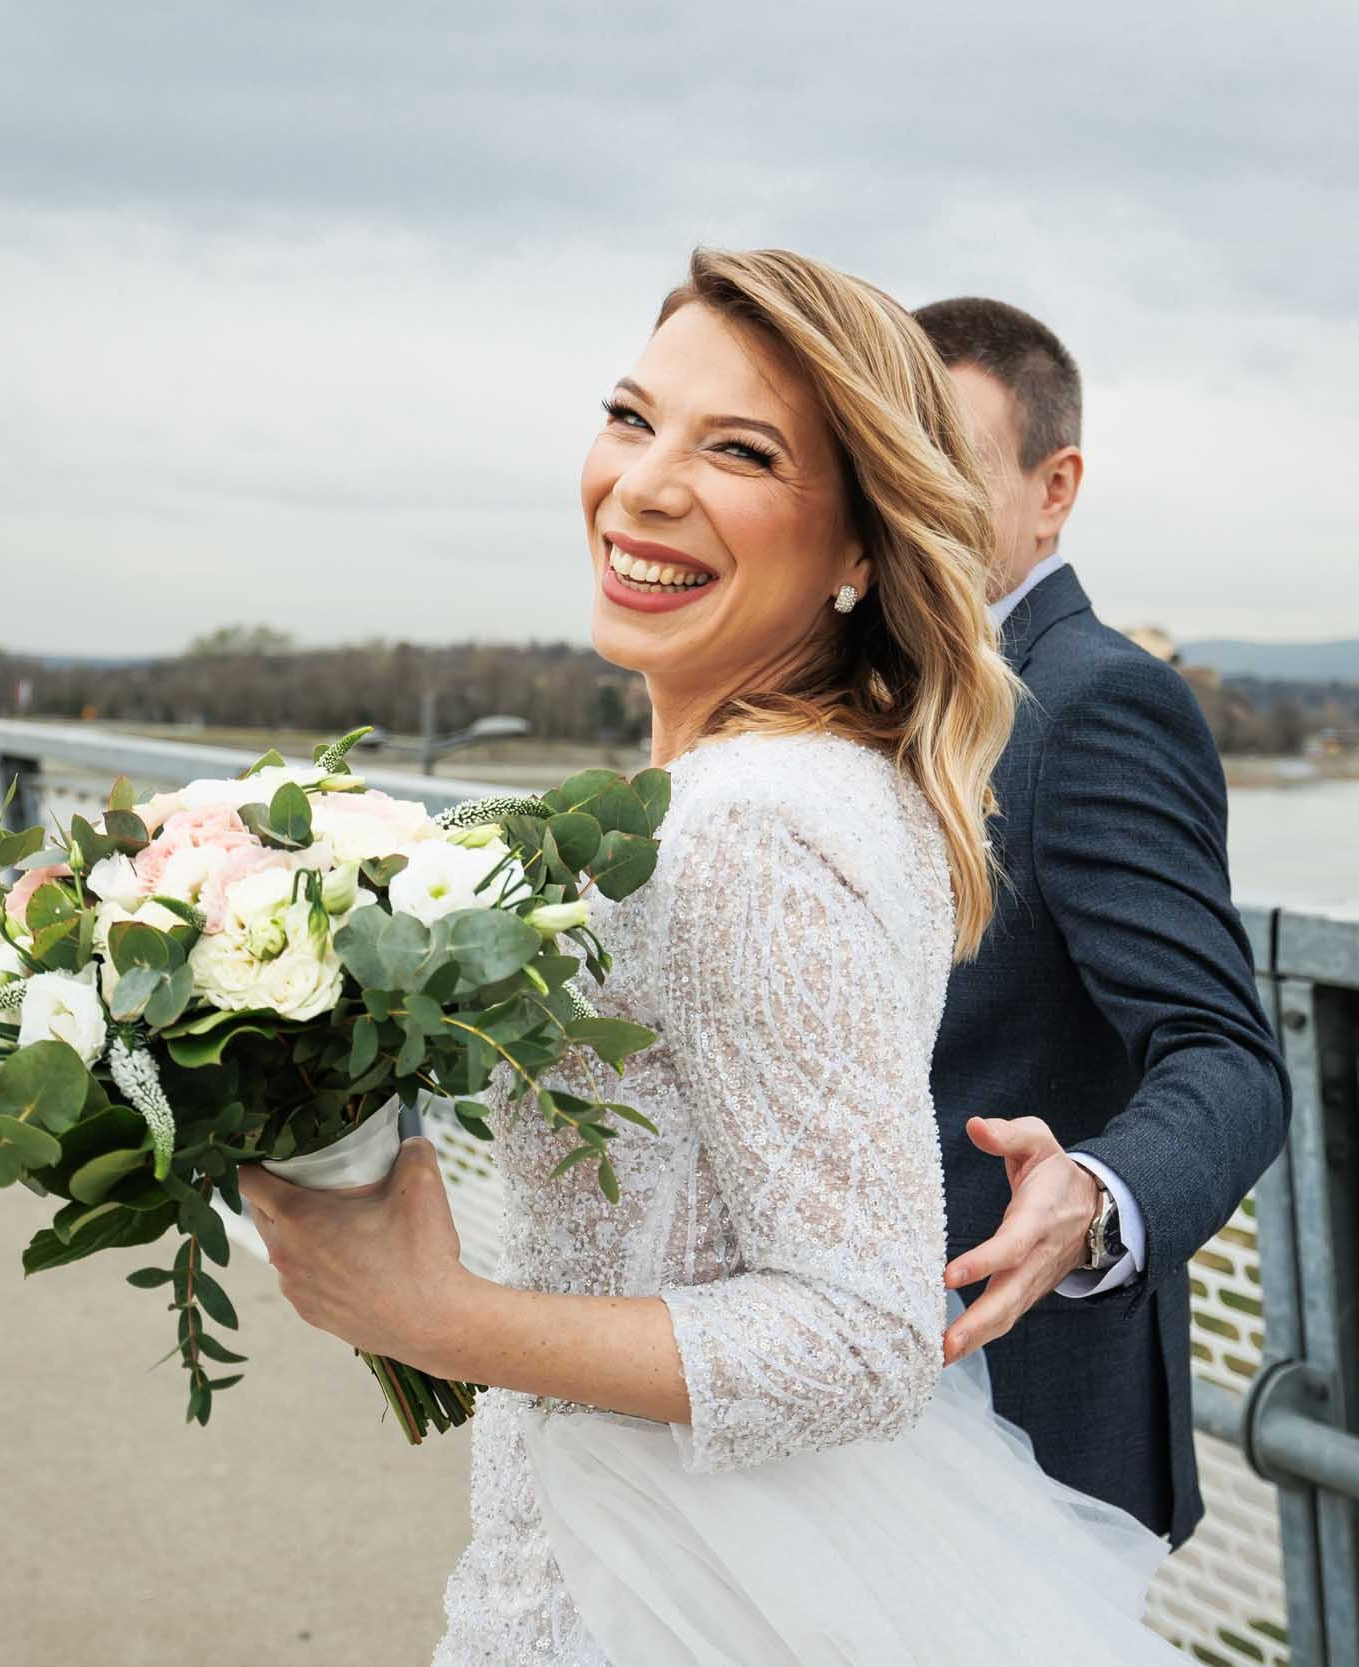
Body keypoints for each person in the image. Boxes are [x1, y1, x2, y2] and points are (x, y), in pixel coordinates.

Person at [236, 249, 1190, 1665]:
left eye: (738, 450)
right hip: (651, 1538)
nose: (644, 484)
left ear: (864, 545)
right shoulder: (811, 779)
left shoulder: (749, 828)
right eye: (632, 417)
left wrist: (438, 1312)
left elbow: (862, 1338)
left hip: (668, 1588)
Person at [916, 296, 1290, 1542]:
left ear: (1052, 485)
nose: (906, 492)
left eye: (946, 459)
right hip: (825, 1404)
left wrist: (1090, 1191)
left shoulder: (1093, 705)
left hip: (1017, 1409)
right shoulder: (860, 695)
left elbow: (1226, 1053)